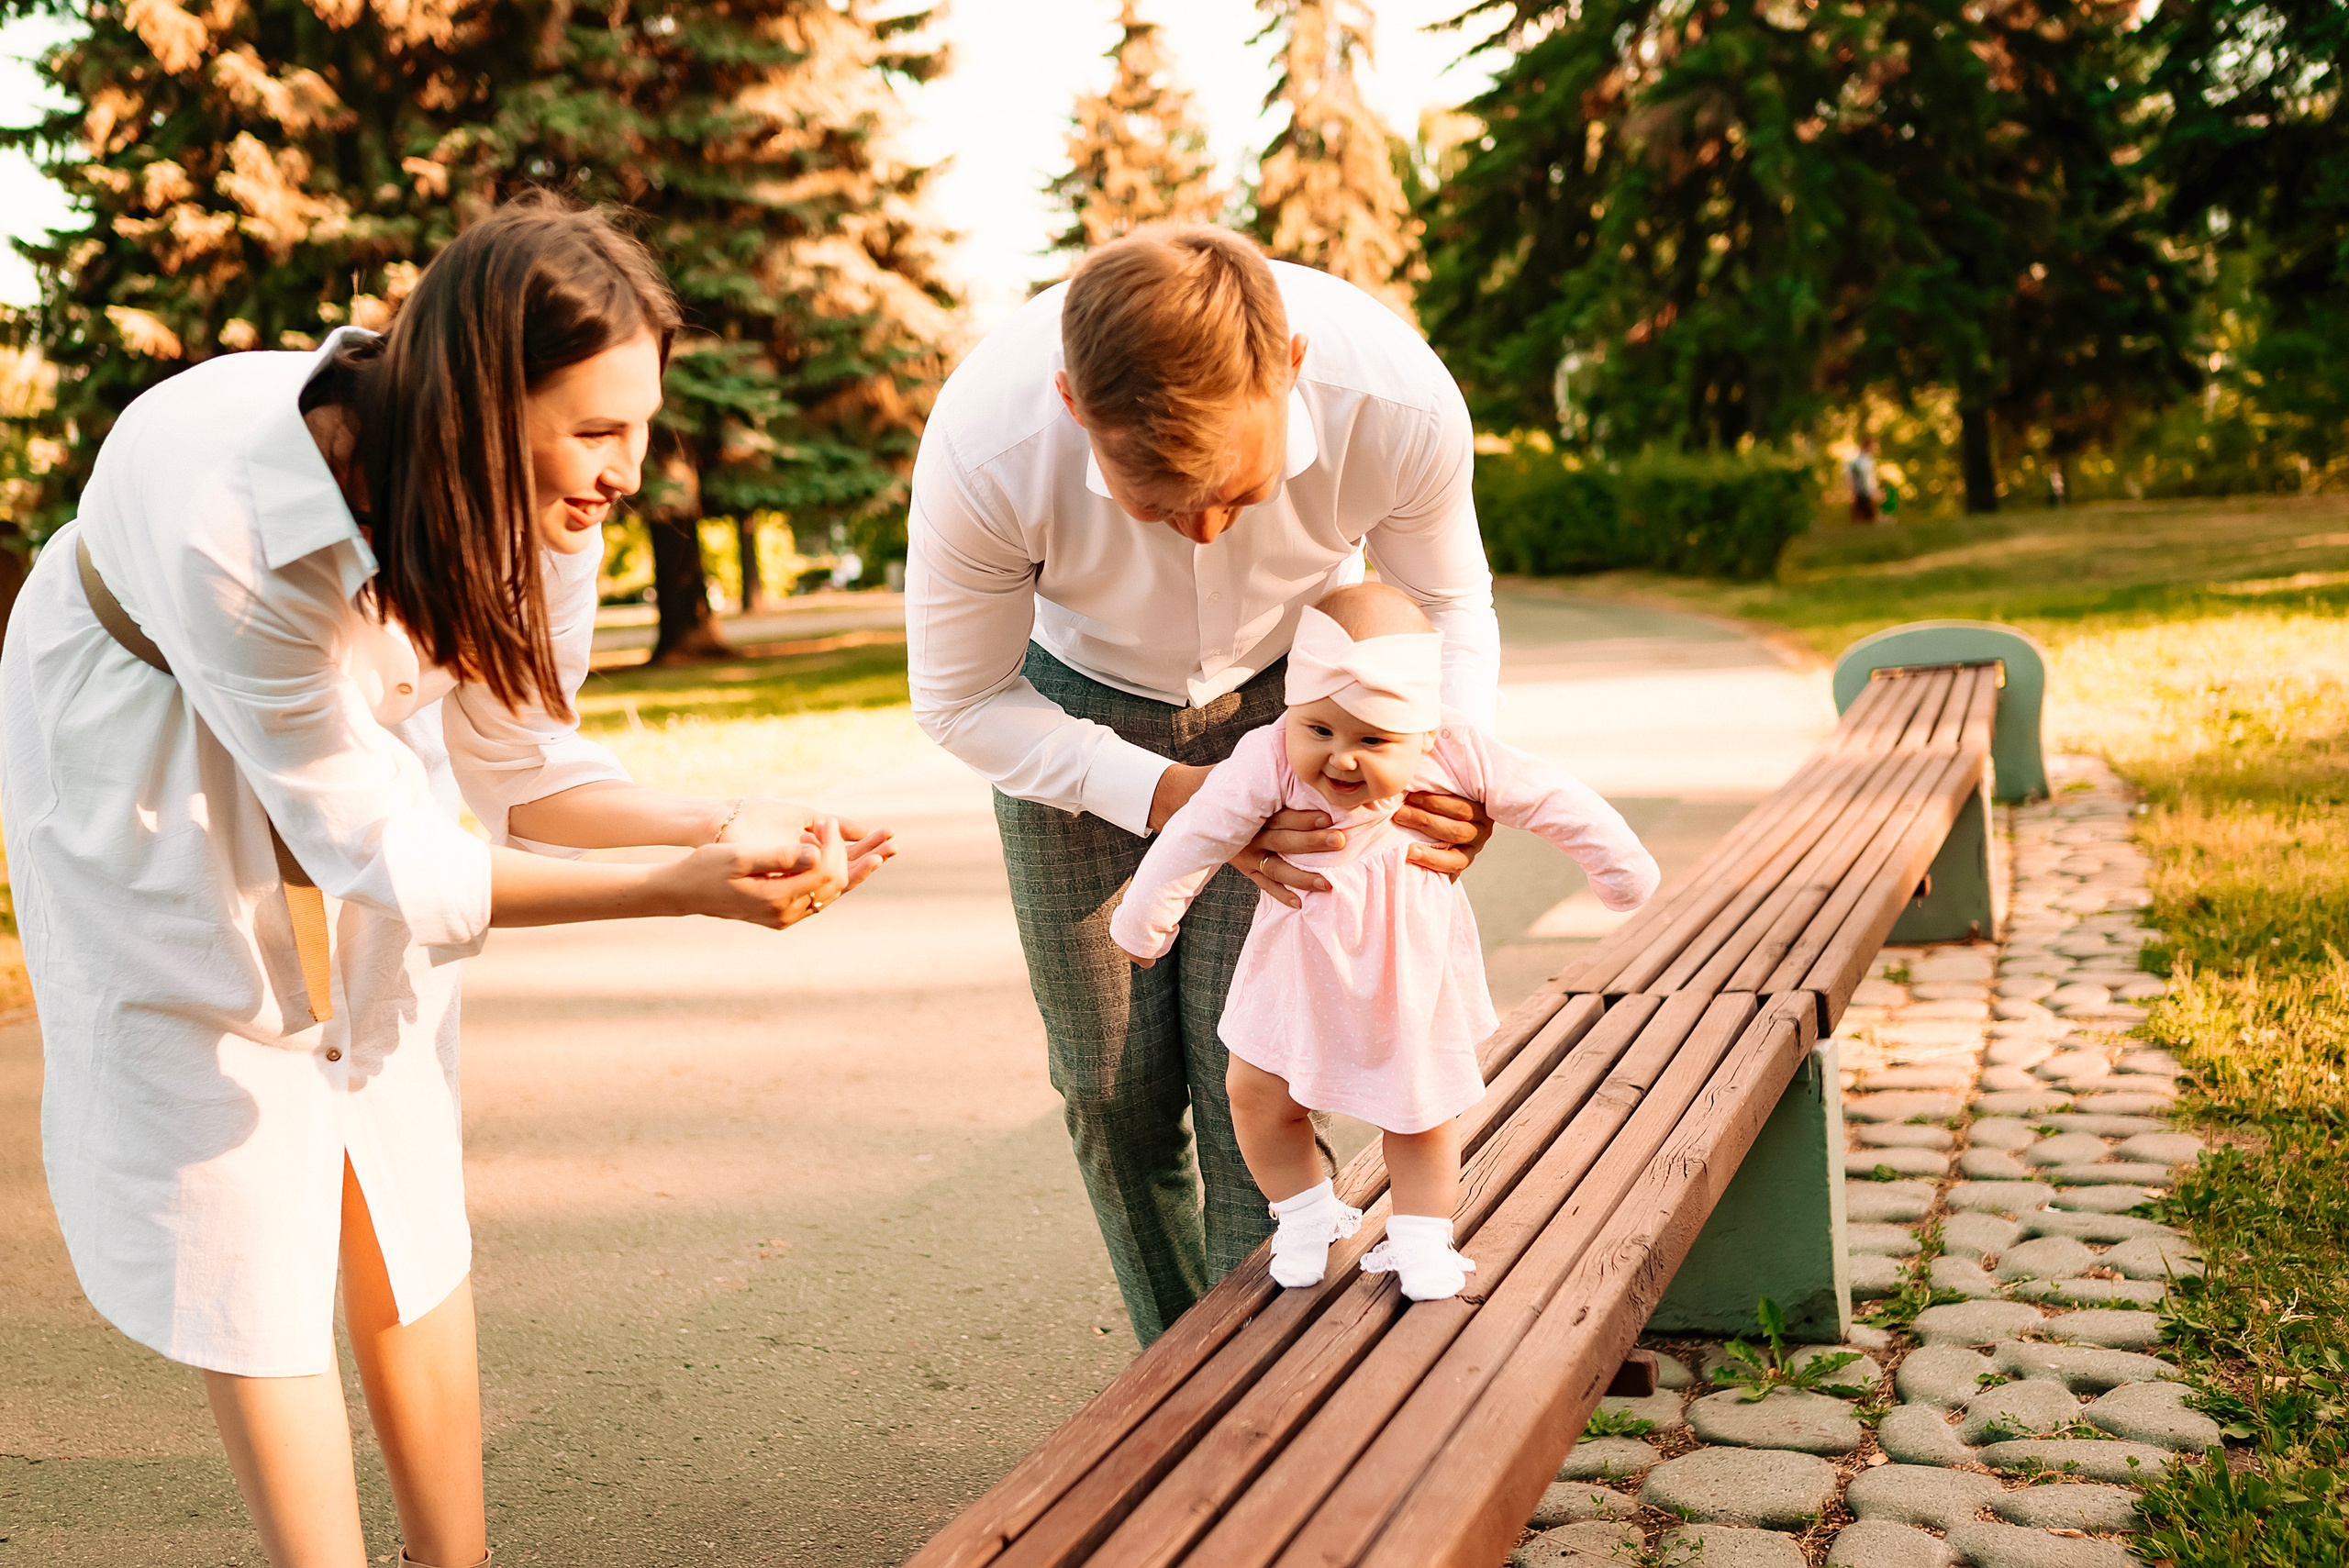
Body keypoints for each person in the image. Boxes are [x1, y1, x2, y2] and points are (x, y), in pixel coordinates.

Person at [0, 195, 892, 1568]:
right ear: (482, 403)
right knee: (243, 1137)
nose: (625, 471)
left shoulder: (539, 501)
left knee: (390, 1116)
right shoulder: (236, 518)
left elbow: (520, 765)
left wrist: (729, 819)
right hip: (145, 743)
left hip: (333, 708)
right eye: (594, 429)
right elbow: (401, 859)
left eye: (639, 425)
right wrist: (685, 888)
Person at [906, 224, 1502, 1344]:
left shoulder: (1399, 402)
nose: (1207, 530)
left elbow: (1451, 607)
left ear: (1289, 363)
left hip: (1301, 702)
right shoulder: (986, 447)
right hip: (1063, 709)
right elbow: (959, 698)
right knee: (1108, 1085)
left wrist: (1442, 763)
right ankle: (1171, 1364)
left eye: (1238, 491)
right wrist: (1179, 795)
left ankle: (1277, 1378)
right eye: (1160, 505)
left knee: (1261, 1077)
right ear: (1075, 407)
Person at [1108, 585, 1658, 1300]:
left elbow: (1556, 799)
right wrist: (1147, 917)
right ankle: (1306, 1212)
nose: (1340, 759)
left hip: (1409, 973)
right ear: (1292, 713)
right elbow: (1198, 832)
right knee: (1254, 1091)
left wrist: (1618, 871)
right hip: (1295, 968)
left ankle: (1423, 1233)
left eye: (1372, 739)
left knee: (1419, 1107)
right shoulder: (1267, 755)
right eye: (1320, 730)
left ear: (1425, 732)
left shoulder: (1457, 752)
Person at [1846, 436, 1879, 523]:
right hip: (1860, 490)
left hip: (1868, 490)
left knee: (1869, 516)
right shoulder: (1856, 460)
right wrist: (1852, 487)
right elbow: (1851, 475)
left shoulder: (1869, 459)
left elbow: (1871, 476)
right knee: (1859, 515)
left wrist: (1874, 489)